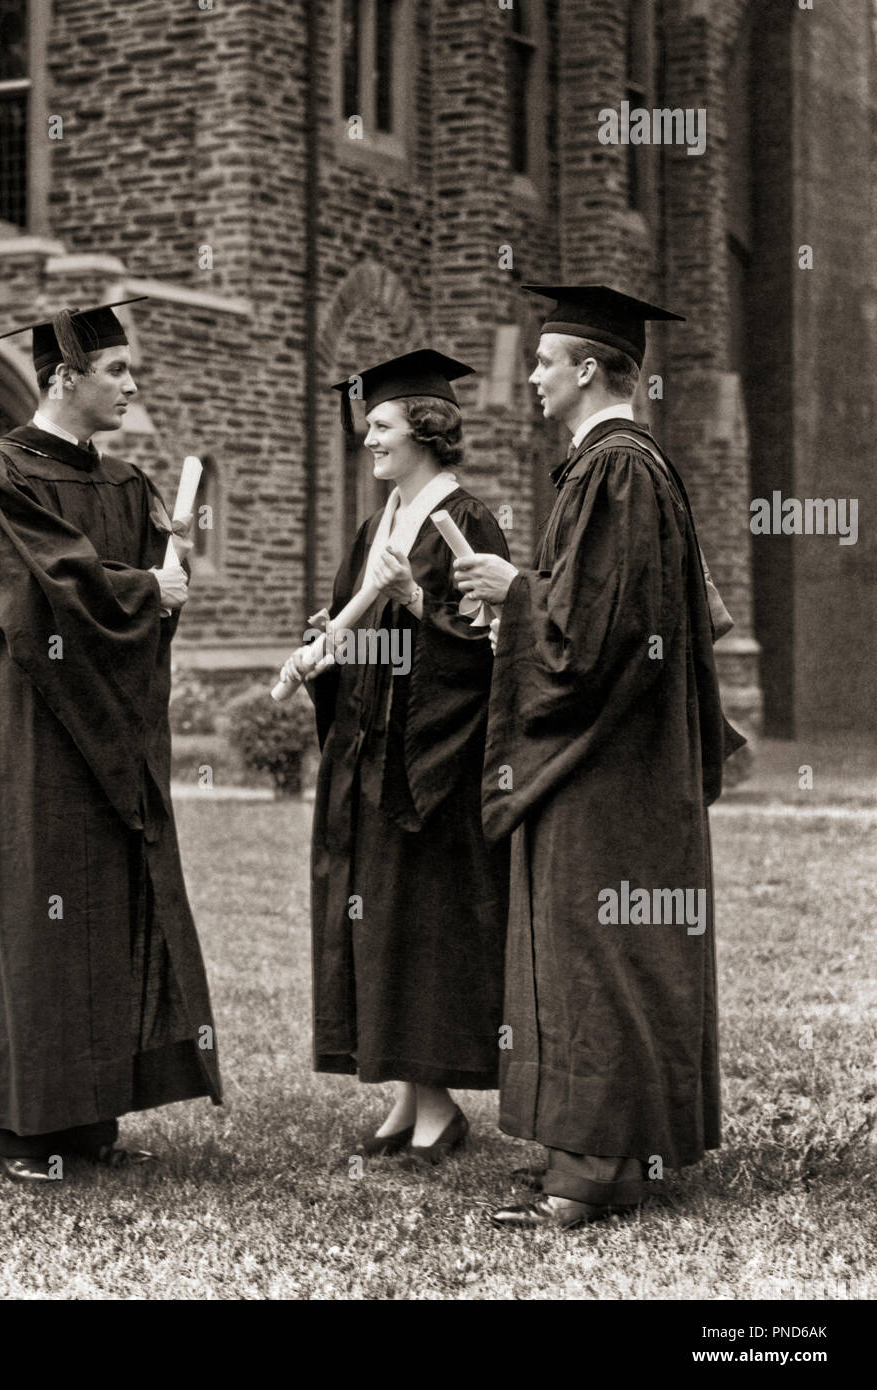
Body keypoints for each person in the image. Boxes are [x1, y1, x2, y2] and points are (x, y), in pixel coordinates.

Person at [454, 285, 745, 1229]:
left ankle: (588, 1174)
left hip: (606, 765)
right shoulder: (614, 468)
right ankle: (602, 1161)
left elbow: (596, 637)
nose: (530, 377)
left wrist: (515, 594)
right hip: (618, 761)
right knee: (597, 948)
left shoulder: (618, 470)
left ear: (588, 370)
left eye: (544, 363)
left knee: (595, 951)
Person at [0, 300, 222, 1183]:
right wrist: (150, 586)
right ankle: (26, 1128)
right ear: (65, 378)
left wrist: (170, 565)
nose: (132, 384)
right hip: (32, 728)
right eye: (116, 371)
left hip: (113, 731)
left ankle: (92, 1117)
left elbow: (147, 607)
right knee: (37, 912)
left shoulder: (126, 484)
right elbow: (43, 592)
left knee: (106, 910)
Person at [280, 350, 510, 1161]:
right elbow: (352, 619)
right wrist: (319, 651)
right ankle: (412, 1095)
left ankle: (440, 1102)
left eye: (380, 426)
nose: (368, 439)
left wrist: (417, 605)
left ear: (426, 428)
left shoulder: (467, 520)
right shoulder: (380, 522)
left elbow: (491, 646)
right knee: (379, 919)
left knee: (426, 925)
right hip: (372, 750)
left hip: (432, 760)